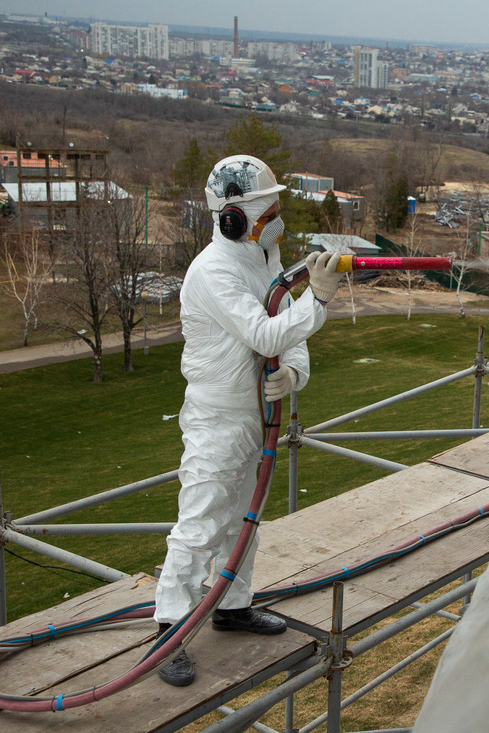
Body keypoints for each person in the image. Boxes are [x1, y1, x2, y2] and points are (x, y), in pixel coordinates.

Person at [153, 155, 343, 687]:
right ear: (232, 217)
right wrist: (320, 299)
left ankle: (232, 606)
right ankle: (170, 627)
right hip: (218, 415)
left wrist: (294, 378)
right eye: (267, 211)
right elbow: (264, 334)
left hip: (255, 413)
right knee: (201, 519)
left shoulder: (264, 259)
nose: (276, 219)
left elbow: (287, 334)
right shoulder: (214, 271)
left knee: (245, 519)